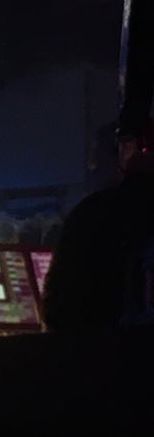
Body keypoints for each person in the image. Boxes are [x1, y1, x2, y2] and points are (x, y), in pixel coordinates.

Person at [43, 121, 154, 330]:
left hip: (97, 345)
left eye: (96, 162)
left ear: (123, 156)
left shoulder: (93, 214)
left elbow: (59, 308)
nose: (91, 170)